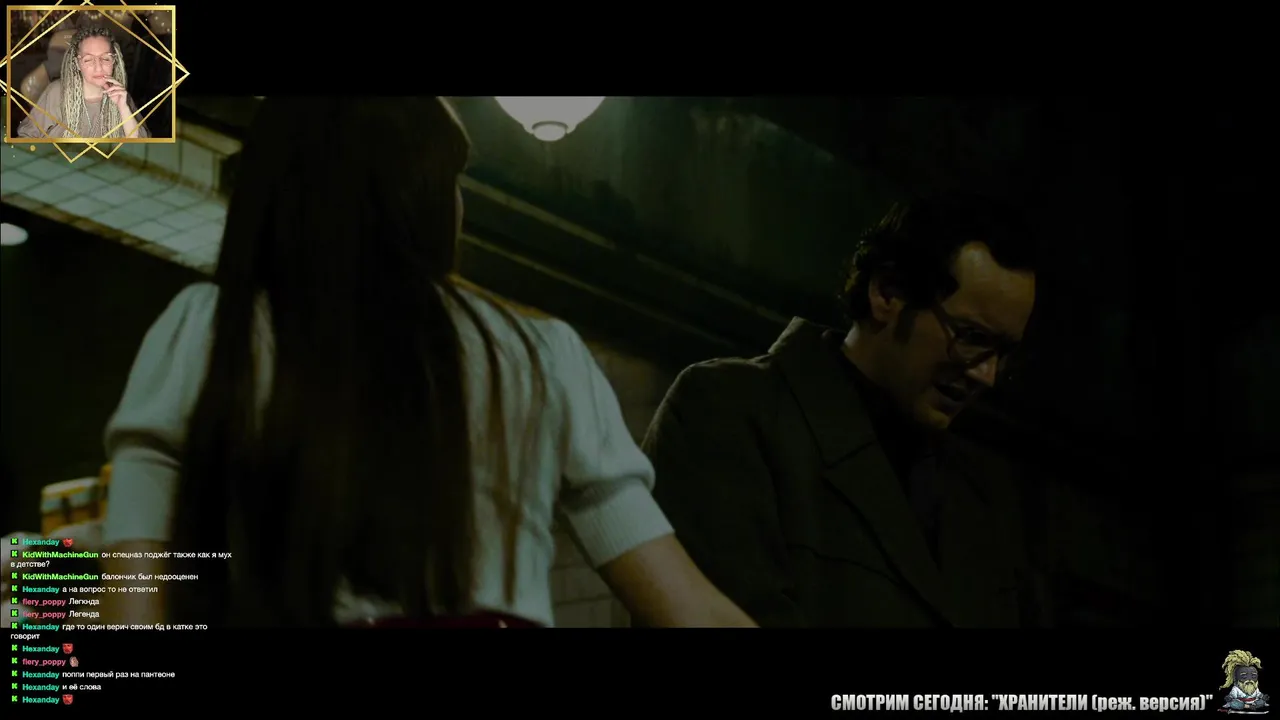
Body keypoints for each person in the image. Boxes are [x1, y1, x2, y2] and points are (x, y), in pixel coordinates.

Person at [86, 97, 753, 629]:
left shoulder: (210, 331)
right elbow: (689, 608)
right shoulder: (540, 356)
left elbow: (133, 611)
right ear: (420, 194)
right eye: (452, 181)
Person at [643, 199, 1038, 627]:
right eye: (972, 336)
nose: (986, 374)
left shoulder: (977, 499)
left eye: (1004, 352)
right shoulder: (730, 411)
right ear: (887, 293)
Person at [17, 26, 148, 140]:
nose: (98, 67)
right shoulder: (57, 93)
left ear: (114, 60)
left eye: (105, 58)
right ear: (77, 63)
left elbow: (141, 146)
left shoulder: (121, 96)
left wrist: (123, 108)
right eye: (88, 60)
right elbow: (26, 137)